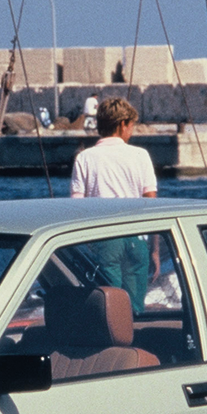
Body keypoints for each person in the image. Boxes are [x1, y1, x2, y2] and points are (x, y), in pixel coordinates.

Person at [70, 97, 158, 312]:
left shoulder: (85, 158)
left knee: (109, 308)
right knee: (135, 309)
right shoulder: (141, 155)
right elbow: (152, 204)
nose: (132, 131)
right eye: (131, 126)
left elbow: (76, 207)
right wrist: (155, 250)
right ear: (122, 124)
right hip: (136, 239)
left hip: (104, 239)